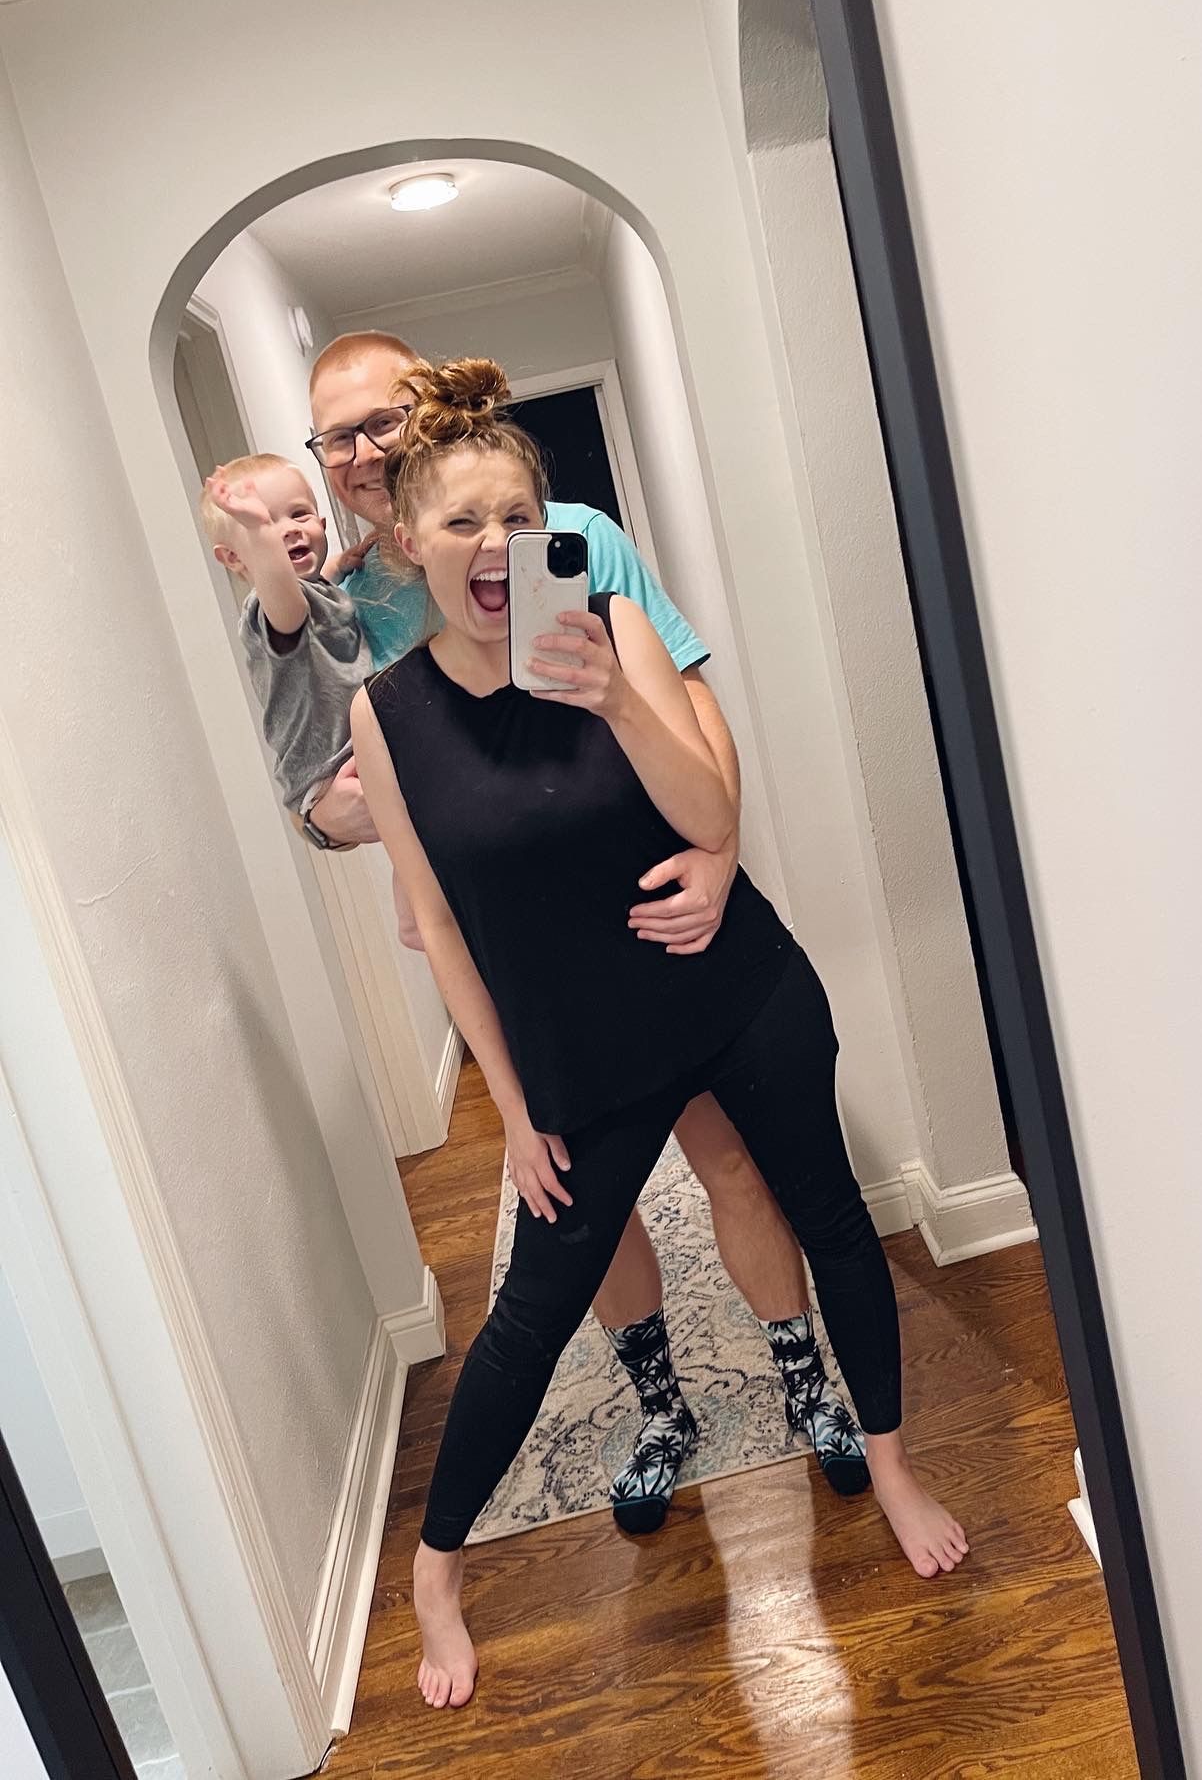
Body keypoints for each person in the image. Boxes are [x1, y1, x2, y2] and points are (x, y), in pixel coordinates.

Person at [350, 356, 969, 1709]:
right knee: (531, 1309)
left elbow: (707, 818)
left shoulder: (611, 624)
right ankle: (434, 1575)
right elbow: (440, 925)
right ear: (408, 542)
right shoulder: (386, 717)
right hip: (582, 1055)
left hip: (736, 991)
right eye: (463, 521)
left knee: (831, 1215)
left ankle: (891, 1458)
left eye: (521, 517)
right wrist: (514, 1109)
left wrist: (616, 697)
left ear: (554, 526)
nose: (497, 544)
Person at [305, 332, 866, 1528]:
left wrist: (719, 851)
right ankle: (662, 1406)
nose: (363, 450)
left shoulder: (567, 540)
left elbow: (686, 692)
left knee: (730, 1160)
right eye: (336, 434)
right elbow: (328, 787)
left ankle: (803, 1375)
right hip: (527, 957)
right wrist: (356, 831)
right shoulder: (345, 603)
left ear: (426, 410)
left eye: (382, 419)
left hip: (651, 929)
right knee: (590, 1213)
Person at [201, 453, 369, 815]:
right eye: (263, 521)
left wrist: (338, 565)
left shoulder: (315, 588)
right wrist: (261, 532)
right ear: (233, 558)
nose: (289, 529)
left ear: (322, 523)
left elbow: (314, 587)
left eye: (299, 514)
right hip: (329, 769)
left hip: (354, 752)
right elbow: (291, 606)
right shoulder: (269, 608)